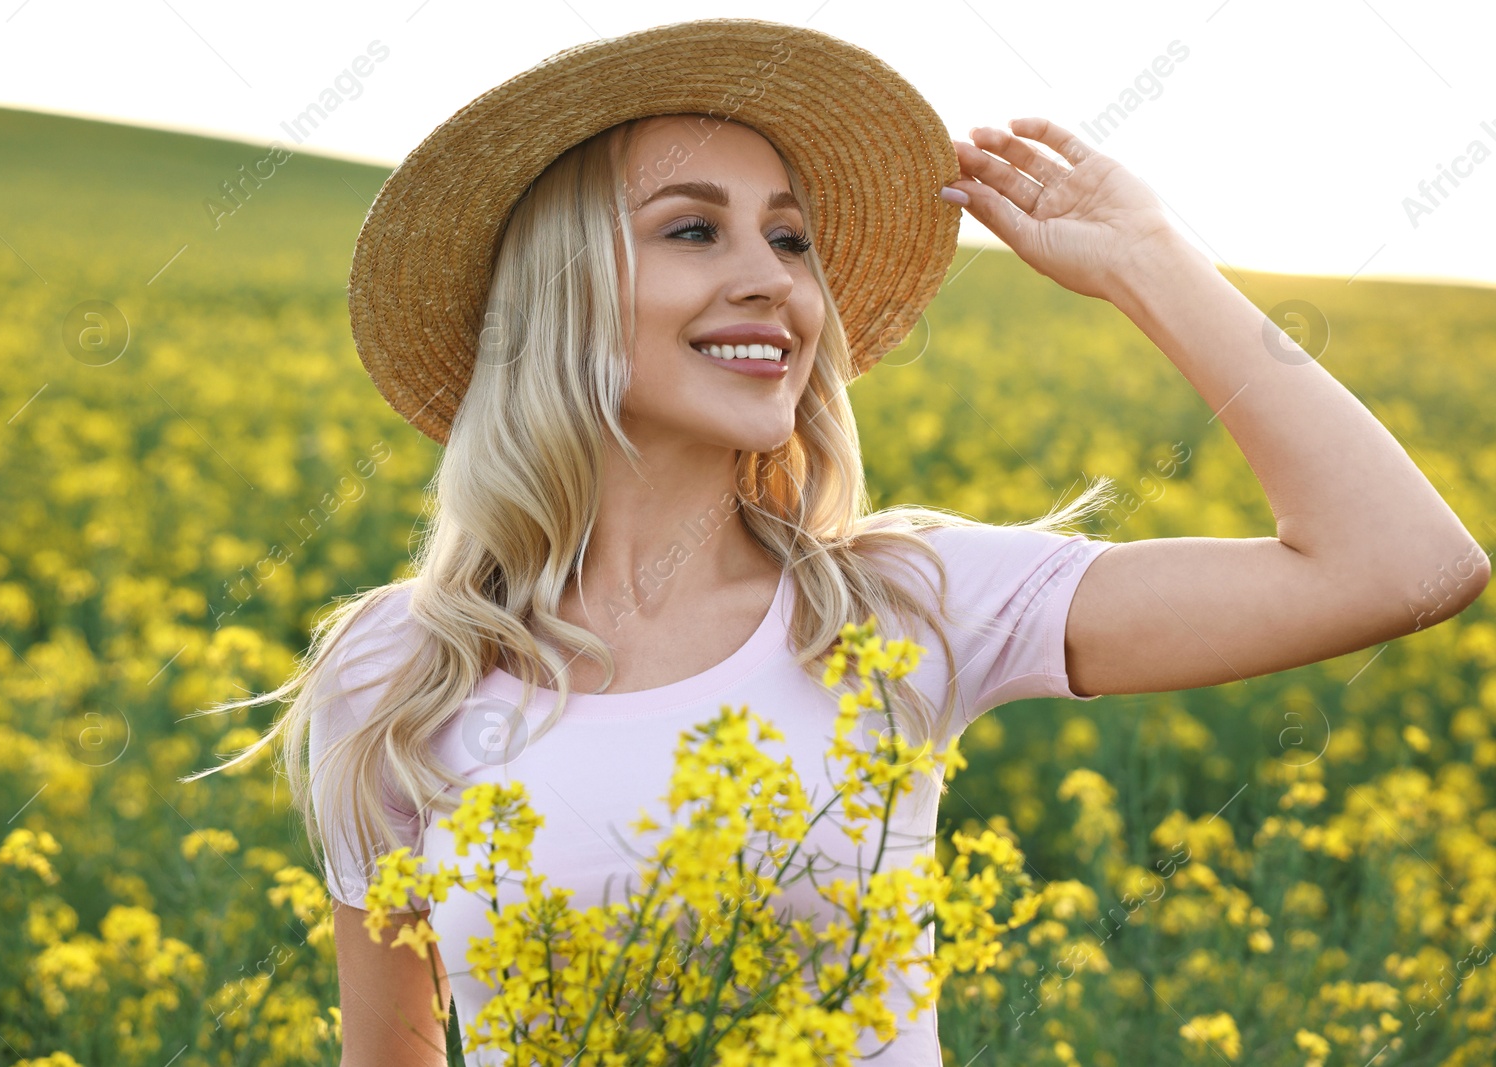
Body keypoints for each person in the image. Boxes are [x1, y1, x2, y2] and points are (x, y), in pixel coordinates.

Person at [186, 17, 1489, 1067]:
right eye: (694, 229)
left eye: (791, 238)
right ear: (563, 293)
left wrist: (1149, 261)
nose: (773, 278)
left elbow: (1406, 567)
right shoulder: (397, 674)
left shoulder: (900, 605)